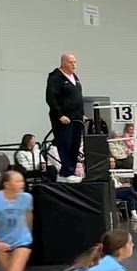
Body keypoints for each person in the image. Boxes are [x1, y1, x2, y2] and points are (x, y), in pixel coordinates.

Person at [46, 53, 86, 183]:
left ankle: (70, 171)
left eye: (75, 62)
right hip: (64, 119)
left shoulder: (75, 77)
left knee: (75, 145)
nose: (74, 64)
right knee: (65, 144)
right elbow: (51, 98)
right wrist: (60, 115)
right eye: (70, 62)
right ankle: (65, 172)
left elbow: (78, 97)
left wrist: (82, 113)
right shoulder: (55, 78)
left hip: (76, 118)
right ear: (63, 63)